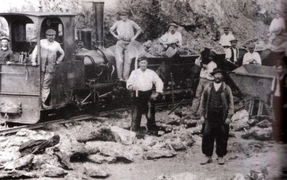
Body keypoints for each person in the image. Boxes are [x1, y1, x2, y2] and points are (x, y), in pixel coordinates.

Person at [199, 68, 234, 165]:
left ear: (222, 76)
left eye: (219, 74)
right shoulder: (208, 87)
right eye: (216, 74)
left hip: (222, 116)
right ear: (213, 76)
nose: (217, 76)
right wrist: (202, 115)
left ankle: (220, 156)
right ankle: (208, 156)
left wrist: (229, 117)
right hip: (209, 116)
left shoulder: (226, 88)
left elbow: (231, 103)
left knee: (222, 136)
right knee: (207, 135)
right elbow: (202, 102)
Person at [126, 56, 163, 134]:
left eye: (144, 63)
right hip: (138, 95)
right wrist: (131, 86)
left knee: (150, 115)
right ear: (139, 63)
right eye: (141, 63)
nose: (143, 64)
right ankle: (135, 131)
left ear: (147, 63)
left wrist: (158, 91)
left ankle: (152, 130)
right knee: (136, 115)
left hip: (148, 95)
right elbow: (128, 83)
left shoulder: (151, 72)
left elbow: (158, 81)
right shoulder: (134, 72)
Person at [31, 29, 65, 107]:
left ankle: (43, 102)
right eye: (49, 35)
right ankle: (36, 103)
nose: (51, 37)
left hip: (50, 68)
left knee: (46, 85)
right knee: (38, 84)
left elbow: (62, 53)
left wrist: (57, 62)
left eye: (53, 35)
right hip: (40, 67)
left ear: (55, 36)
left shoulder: (56, 45)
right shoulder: (41, 42)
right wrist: (33, 61)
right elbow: (35, 52)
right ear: (46, 36)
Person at [109, 10, 142, 81]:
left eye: (125, 15)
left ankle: (125, 78)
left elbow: (139, 29)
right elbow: (111, 29)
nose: (124, 16)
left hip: (129, 43)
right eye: (122, 15)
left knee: (128, 61)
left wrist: (134, 38)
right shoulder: (117, 23)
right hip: (120, 42)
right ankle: (119, 77)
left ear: (127, 15)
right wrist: (116, 36)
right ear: (120, 16)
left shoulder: (131, 22)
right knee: (119, 60)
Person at [190, 47, 217, 118]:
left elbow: (210, 73)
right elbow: (197, 61)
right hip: (203, 80)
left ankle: (200, 112)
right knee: (199, 96)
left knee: (202, 97)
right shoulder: (207, 63)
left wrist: (203, 65)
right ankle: (194, 111)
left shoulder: (213, 64)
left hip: (207, 80)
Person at [271, 60, 287, 143]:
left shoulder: (285, 78)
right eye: (278, 69)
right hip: (276, 100)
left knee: (284, 119)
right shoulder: (275, 78)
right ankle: (277, 138)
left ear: (283, 69)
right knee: (276, 119)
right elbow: (272, 91)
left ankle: (284, 139)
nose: (279, 71)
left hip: (283, 100)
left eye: (280, 69)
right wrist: (271, 102)